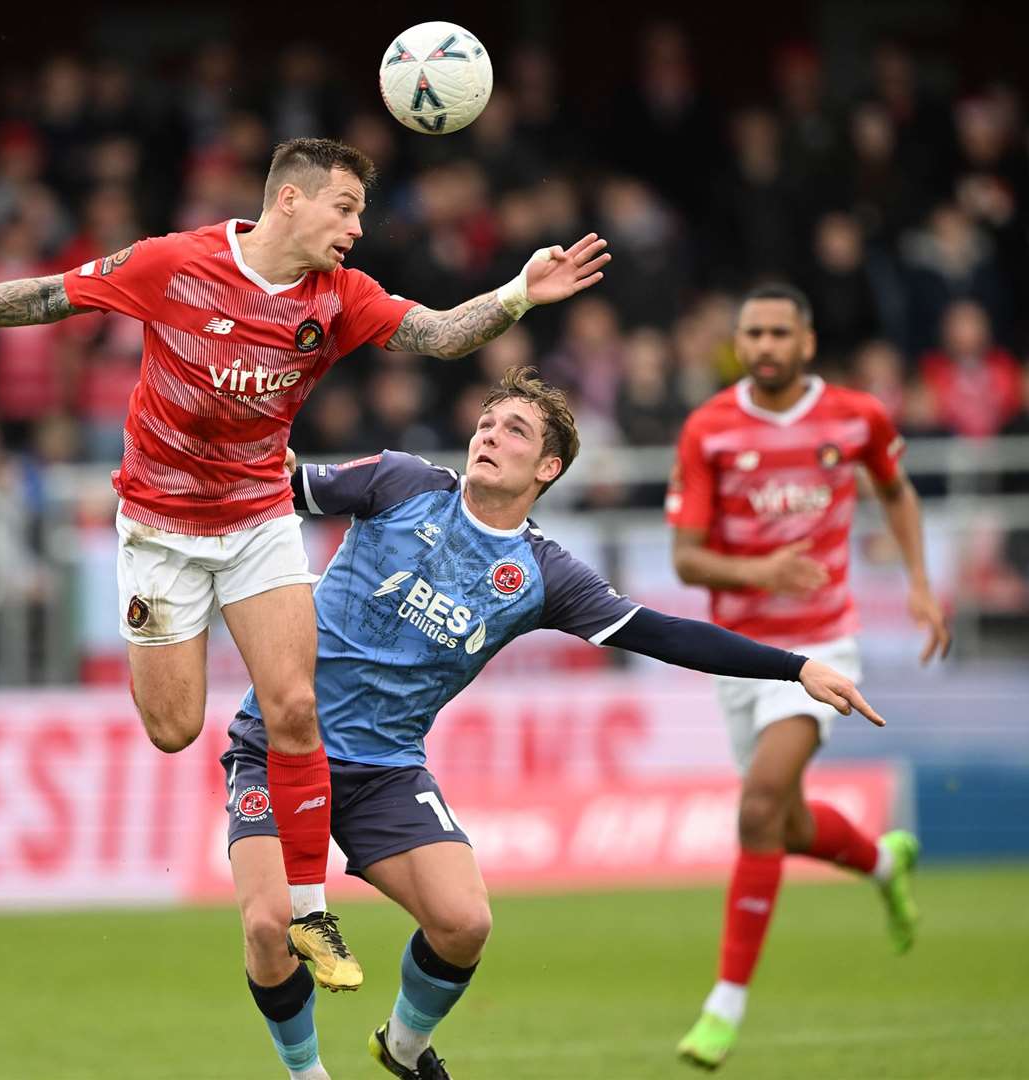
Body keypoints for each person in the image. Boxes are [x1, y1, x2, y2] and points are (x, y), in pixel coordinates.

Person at [0, 137, 612, 988]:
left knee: (295, 704)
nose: (357, 226)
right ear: (290, 200)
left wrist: (514, 296)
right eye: (344, 208)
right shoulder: (178, 263)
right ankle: (265, 845)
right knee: (172, 728)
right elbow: (51, 297)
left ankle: (312, 910)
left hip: (257, 518)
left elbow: (434, 334)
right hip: (161, 527)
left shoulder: (340, 296)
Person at [223, 367, 884, 1080]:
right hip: (280, 742)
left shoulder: (543, 573)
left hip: (384, 767)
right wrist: (247, 447)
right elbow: (281, 485)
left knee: (464, 923)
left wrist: (794, 668)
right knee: (269, 925)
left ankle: (405, 1049)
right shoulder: (402, 481)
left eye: (515, 430)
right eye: (486, 422)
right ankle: (306, 1074)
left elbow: (662, 633)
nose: (489, 435)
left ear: (547, 468)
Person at [667, 283, 950, 1070]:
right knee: (783, 823)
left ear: (807, 341)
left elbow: (898, 494)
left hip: (825, 647)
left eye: (777, 332)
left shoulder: (857, 416)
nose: (763, 345)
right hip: (736, 650)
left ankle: (723, 1008)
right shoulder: (709, 429)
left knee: (758, 808)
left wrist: (922, 586)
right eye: (751, 332)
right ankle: (886, 862)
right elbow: (686, 558)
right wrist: (760, 569)